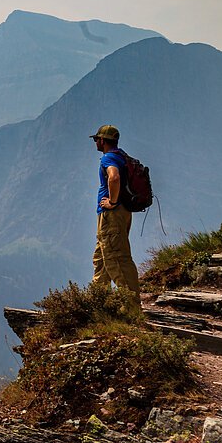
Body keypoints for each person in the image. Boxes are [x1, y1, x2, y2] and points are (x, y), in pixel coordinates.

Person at [90, 125, 141, 313]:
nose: (95, 142)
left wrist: (112, 201)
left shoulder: (109, 157)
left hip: (112, 215)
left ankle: (132, 310)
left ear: (103, 141)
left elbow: (114, 177)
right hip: (121, 213)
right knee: (102, 259)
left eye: (96, 139)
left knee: (118, 258)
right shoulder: (122, 155)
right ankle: (99, 306)